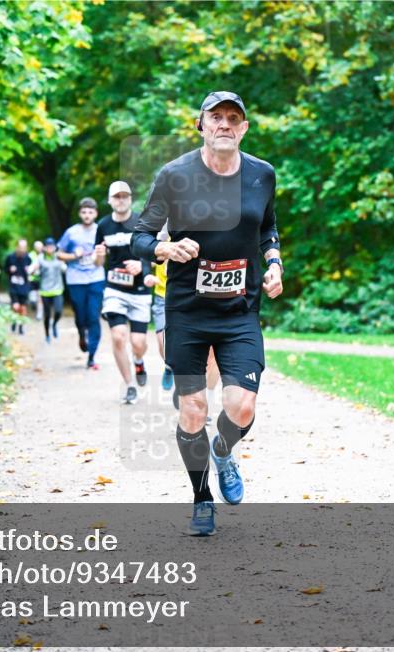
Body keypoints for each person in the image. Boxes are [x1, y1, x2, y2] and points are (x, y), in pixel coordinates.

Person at [131, 91, 284, 536]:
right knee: (193, 408)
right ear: (200, 125)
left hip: (239, 311)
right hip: (187, 311)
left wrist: (273, 262)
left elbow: (269, 227)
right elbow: (140, 236)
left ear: (244, 128)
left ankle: (223, 450)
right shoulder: (175, 175)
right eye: (215, 117)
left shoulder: (262, 174)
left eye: (233, 118)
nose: (224, 125)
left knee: (241, 406)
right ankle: (201, 499)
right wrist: (165, 247)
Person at [94, 181, 153, 405]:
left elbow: (152, 252)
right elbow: (98, 261)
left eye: (125, 196)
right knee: (118, 336)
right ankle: (129, 385)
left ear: (130, 198)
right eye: (116, 196)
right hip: (114, 289)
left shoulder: (141, 222)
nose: (121, 200)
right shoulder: (103, 225)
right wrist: (99, 255)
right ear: (110, 200)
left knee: (138, 342)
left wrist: (141, 266)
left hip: (139, 290)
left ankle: (138, 360)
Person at [57, 198, 106, 369]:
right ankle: (81, 333)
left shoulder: (101, 231)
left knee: (93, 316)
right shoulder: (71, 232)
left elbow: (103, 258)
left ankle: (92, 356)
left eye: (90, 212)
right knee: (80, 316)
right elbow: (59, 254)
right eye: (84, 212)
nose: (87, 215)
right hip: (75, 279)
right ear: (80, 213)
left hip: (96, 278)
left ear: (96, 214)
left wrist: (99, 256)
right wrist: (73, 256)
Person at [142, 224, 174, 393]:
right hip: (162, 296)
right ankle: (169, 366)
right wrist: (147, 274)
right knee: (163, 342)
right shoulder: (161, 240)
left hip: (186, 298)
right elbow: (145, 255)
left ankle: (184, 377)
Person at [37, 237, 66, 343]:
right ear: (44, 248)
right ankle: (47, 334)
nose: (50, 248)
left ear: (55, 247)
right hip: (45, 290)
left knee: (58, 311)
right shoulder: (40, 258)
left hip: (57, 289)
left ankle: (54, 324)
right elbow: (34, 268)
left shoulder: (58, 257)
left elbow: (64, 269)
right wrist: (31, 270)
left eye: (52, 246)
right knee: (47, 314)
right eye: (47, 247)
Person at [4, 239, 33, 335]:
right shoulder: (10, 257)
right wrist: (10, 270)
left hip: (24, 286)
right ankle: (14, 322)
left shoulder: (28, 258)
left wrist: (29, 271)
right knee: (15, 306)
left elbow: (32, 271)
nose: (22, 249)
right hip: (13, 286)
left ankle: (21, 327)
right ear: (17, 247)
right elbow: (5, 269)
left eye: (24, 247)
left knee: (23, 307)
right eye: (21, 247)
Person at [28, 240, 44, 322]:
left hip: (42, 279)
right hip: (32, 279)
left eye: (40, 247)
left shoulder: (44, 255)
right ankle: (32, 304)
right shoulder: (30, 255)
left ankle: (39, 315)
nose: (39, 248)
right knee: (33, 298)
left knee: (40, 298)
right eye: (37, 247)